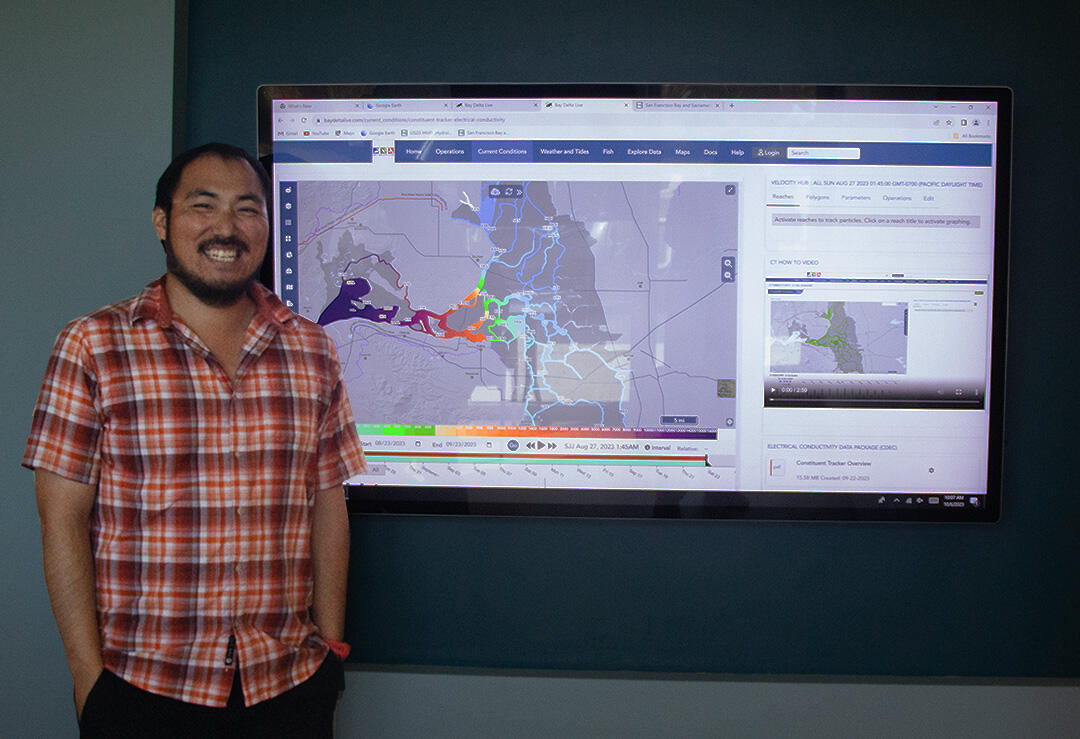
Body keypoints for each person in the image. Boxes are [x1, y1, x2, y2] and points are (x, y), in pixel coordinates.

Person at [23, 142, 367, 737]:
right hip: (143, 687)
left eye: (246, 209)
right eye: (202, 206)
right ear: (163, 221)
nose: (225, 229)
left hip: (287, 685)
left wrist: (329, 653)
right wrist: (89, 683)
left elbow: (328, 504)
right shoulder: (92, 346)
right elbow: (62, 525)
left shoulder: (312, 349)